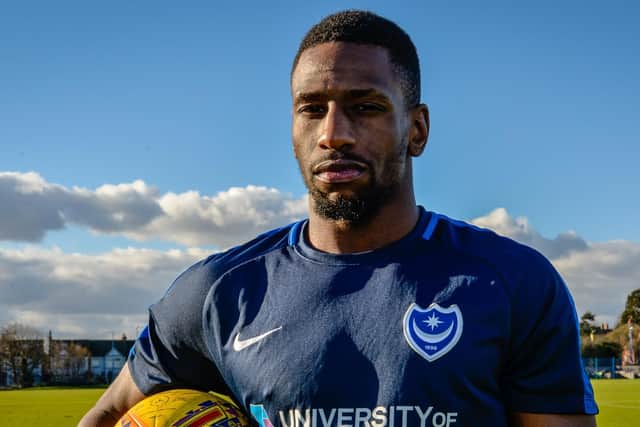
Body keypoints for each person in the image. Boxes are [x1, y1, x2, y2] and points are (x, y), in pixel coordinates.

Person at [80, 10, 598, 427]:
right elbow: (110, 413)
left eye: (365, 107)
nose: (333, 134)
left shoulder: (514, 282)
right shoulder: (219, 291)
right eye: (311, 108)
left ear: (416, 130)